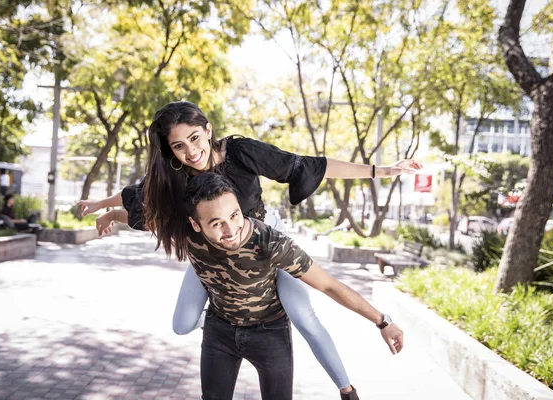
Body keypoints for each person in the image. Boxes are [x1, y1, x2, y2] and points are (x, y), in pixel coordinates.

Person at [78, 101, 422, 398]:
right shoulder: (177, 178)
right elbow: (143, 202)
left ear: (207, 129)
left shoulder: (240, 153)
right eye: (179, 146)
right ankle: (224, 325)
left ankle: (346, 388)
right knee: (182, 324)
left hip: (260, 240)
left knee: (301, 314)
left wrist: (382, 171)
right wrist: (105, 208)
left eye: (195, 138)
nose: (190, 152)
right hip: (213, 249)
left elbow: (306, 164)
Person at [101, 172, 404, 399]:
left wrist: (382, 321)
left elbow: (329, 285)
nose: (231, 229)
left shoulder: (270, 242)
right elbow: (143, 217)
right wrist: (112, 214)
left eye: (234, 215)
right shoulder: (185, 232)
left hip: (269, 333)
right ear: (195, 225)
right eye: (216, 223)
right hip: (220, 331)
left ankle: (346, 387)